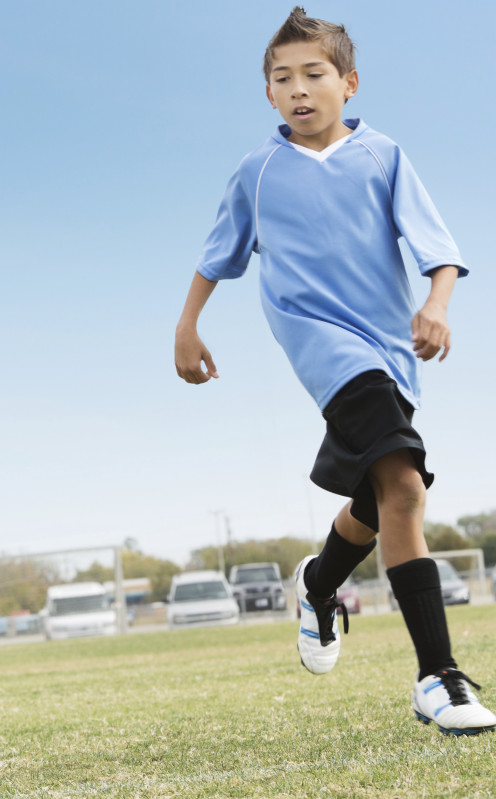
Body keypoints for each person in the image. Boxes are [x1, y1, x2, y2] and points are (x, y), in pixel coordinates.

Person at [173, 7, 490, 735]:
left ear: (348, 82)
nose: (299, 89)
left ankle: (318, 585)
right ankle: (438, 679)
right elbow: (215, 256)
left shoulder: (384, 156)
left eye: (314, 74)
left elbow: (437, 250)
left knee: (382, 500)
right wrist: (187, 326)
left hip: (391, 350)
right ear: (268, 95)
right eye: (281, 79)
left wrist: (437, 304)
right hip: (323, 347)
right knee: (405, 483)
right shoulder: (257, 172)